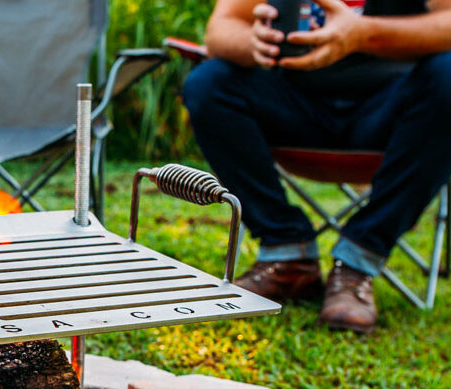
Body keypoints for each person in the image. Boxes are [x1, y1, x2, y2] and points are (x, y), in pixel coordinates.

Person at [182, 0, 451, 334]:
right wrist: (249, 42)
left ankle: (358, 259)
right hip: (292, 104)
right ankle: (286, 251)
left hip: (392, 111)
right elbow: (222, 27)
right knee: (208, 81)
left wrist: (365, 34)